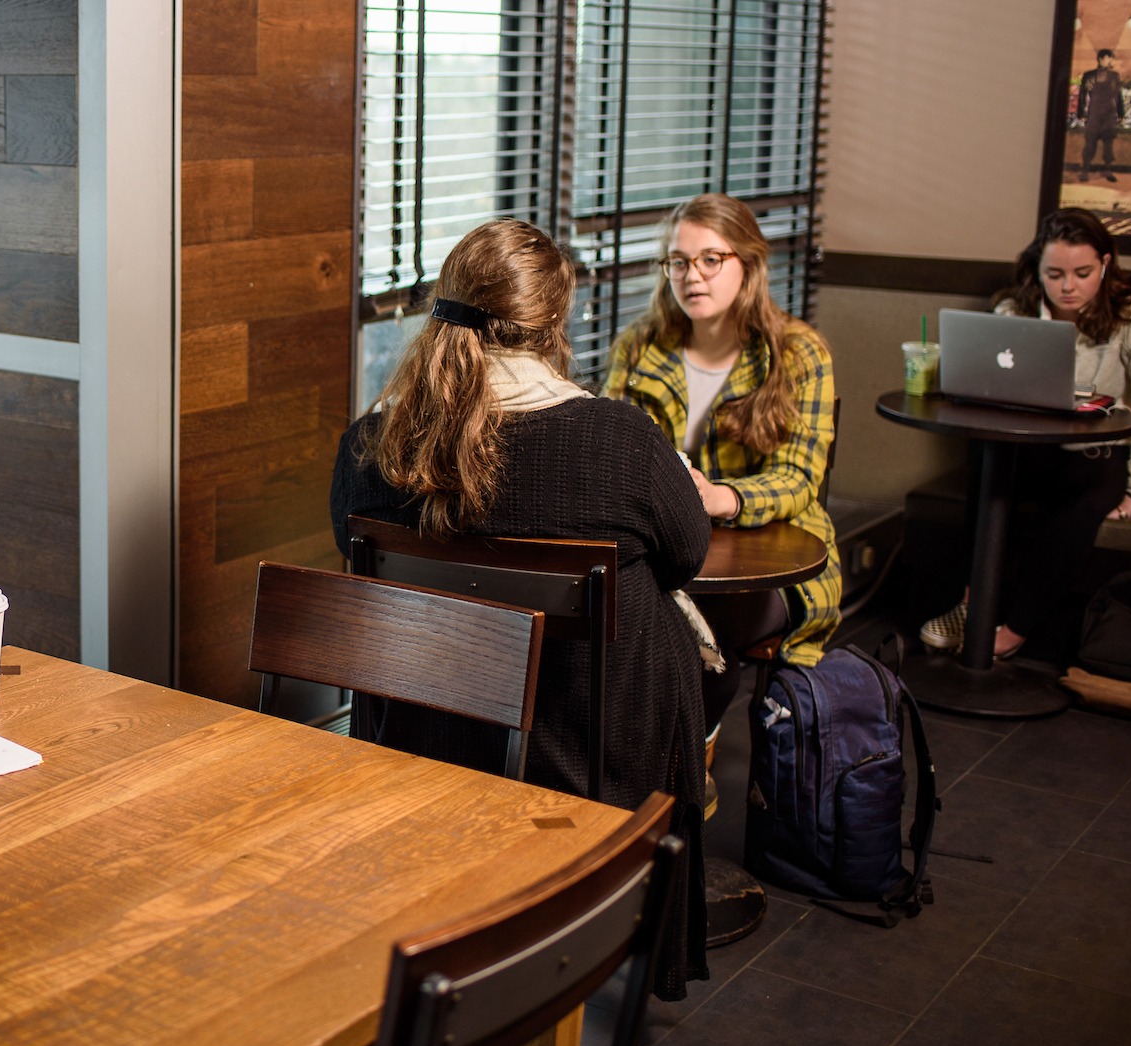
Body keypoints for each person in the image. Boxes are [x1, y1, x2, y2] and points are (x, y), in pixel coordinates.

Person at [330, 218, 712, 1000]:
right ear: (555, 323)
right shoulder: (619, 441)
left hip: (425, 733)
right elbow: (687, 557)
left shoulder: (373, 442)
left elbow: (349, 547)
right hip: (588, 750)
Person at [605, 193, 839, 731]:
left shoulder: (799, 353)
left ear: (749, 264)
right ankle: (637, 778)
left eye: (712, 259)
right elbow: (615, 454)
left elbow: (801, 477)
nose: (693, 276)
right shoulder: (641, 348)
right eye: (679, 261)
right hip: (668, 549)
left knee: (697, 638)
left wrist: (721, 497)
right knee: (611, 628)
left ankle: (678, 780)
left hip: (772, 561)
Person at [920, 207, 1131, 658]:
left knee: (1080, 502)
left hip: (1096, 454)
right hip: (1025, 449)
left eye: (1082, 273)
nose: (1068, 286)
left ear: (1105, 264)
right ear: (1038, 269)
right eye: (1055, 273)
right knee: (988, 467)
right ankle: (972, 604)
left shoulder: (1129, 316)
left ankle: (1016, 629)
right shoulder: (1013, 311)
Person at [1079, 49, 1124, 183]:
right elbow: (1082, 95)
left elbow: (1118, 96)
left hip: (1109, 113)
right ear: (1101, 58)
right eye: (1108, 58)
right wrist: (1082, 113)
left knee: (1108, 144)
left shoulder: (1115, 76)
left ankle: (1108, 170)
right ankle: (1085, 171)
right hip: (1094, 112)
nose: (1110, 61)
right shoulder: (1089, 75)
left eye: (1111, 58)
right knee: (1090, 143)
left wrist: (1121, 113)